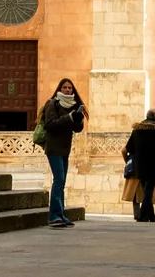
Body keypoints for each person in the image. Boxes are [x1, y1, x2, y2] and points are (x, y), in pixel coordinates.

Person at [35, 78, 88, 226]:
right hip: (53, 147)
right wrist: (69, 117)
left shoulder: (73, 105)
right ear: (60, 89)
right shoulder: (53, 104)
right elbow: (50, 125)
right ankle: (54, 216)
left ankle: (61, 214)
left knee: (62, 181)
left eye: (70, 88)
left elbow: (76, 129)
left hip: (65, 148)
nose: (67, 90)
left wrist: (78, 119)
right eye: (64, 87)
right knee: (58, 180)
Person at [123, 109, 155, 222]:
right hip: (152, 165)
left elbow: (128, 148)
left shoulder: (136, 131)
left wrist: (127, 160)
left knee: (146, 190)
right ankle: (143, 216)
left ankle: (151, 216)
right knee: (148, 190)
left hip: (139, 165)